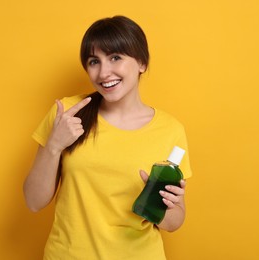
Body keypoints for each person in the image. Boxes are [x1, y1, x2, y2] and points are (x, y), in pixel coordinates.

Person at [23, 15, 192, 260]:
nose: (103, 72)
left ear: (141, 63)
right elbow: (33, 202)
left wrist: (162, 204)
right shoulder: (68, 113)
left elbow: (174, 222)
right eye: (94, 61)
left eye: (115, 58)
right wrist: (54, 146)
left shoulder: (170, 129)